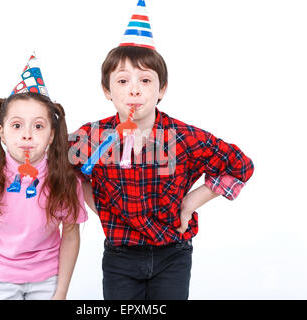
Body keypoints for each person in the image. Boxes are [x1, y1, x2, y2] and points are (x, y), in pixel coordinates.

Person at [69, 0, 254, 299]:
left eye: (145, 80)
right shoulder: (92, 136)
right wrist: (97, 203)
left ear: (162, 89)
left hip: (173, 253)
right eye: (122, 81)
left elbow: (240, 165)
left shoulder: (183, 137)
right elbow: (60, 165)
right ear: (107, 90)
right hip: (120, 255)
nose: (134, 89)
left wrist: (192, 201)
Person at [0, 55, 88, 300]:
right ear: (2, 132)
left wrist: (61, 290)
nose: (28, 135)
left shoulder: (64, 181)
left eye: (39, 126)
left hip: (47, 279)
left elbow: (71, 233)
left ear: (52, 135)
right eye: (17, 125)